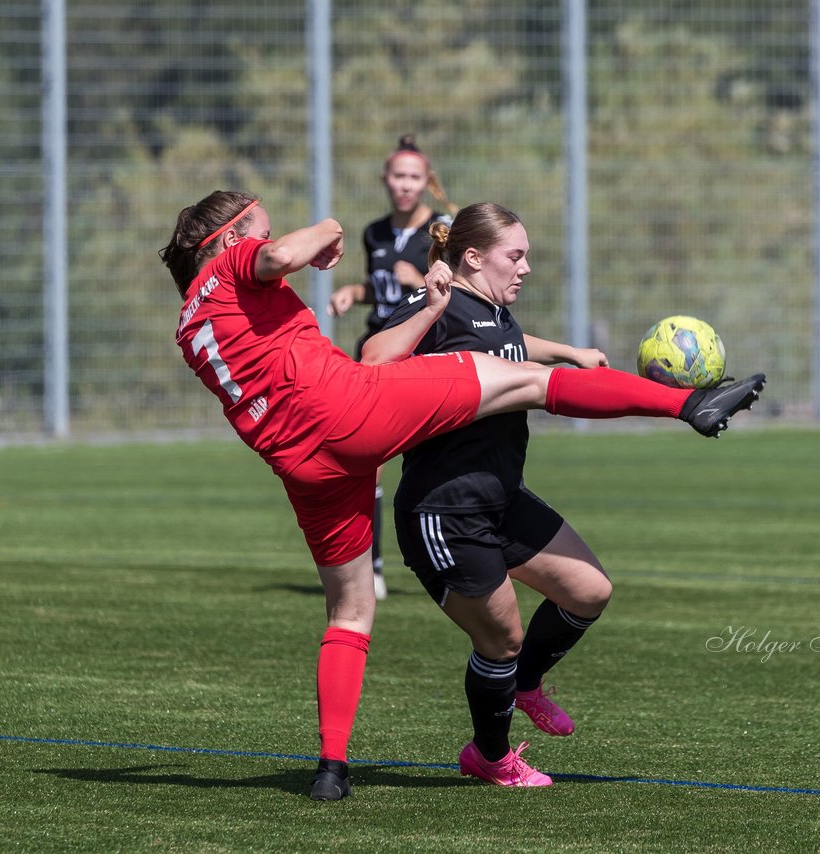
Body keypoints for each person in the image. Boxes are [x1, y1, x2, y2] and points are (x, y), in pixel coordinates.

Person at [160, 189, 765, 801]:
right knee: (533, 385)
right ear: (233, 238)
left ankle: (331, 771)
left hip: (303, 463)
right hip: (348, 411)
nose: (269, 236)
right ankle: (688, 403)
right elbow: (284, 255)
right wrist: (331, 229)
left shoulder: (189, 322)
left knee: (349, 611)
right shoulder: (232, 265)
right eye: (260, 226)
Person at [360, 202, 617, 787]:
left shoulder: (493, 311)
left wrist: (569, 353)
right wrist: (429, 307)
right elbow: (372, 360)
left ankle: (525, 684)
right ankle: (492, 757)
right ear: (473, 258)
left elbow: (509, 343)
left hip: (501, 498)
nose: (526, 267)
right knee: (502, 639)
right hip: (443, 510)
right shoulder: (440, 309)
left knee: (589, 591)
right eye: (515, 256)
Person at [328, 135, 456, 601]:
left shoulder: (442, 229)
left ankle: (455, 560)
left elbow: (459, 286)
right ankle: (373, 568)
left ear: (427, 182)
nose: (404, 185)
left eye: (413, 177)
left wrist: (423, 279)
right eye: (398, 176)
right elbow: (379, 286)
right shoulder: (375, 232)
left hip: (424, 348)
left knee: (438, 459)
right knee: (370, 461)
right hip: (378, 350)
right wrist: (352, 293)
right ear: (386, 180)